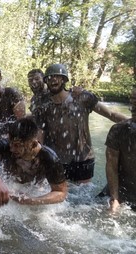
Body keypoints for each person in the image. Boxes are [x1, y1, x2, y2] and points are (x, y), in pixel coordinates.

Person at [33, 63, 128, 183]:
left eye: (58, 76)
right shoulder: (44, 108)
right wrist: (37, 157)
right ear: (46, 81)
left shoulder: (82, 98)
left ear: (64, 79)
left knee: (83, 197)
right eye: (50, 77)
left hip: (84, 159)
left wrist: (131, 122)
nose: (53, 80)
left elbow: (111, 114)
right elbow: (40, 135)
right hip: (57, 160)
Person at [0, 117, 67, 206]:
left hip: (34, 192)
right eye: (11, 143)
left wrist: (30, 201)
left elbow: (60, 193)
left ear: (33, 144)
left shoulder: (49, 159)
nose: (11, 149)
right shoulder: (5, 146)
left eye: (17, 145)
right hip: (4, 186)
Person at [105, 85, 136, 213]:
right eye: (133, 100)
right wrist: (114, 198)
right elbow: (111, 165)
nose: (133, 105)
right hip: (121, 193)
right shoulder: (118, 130)